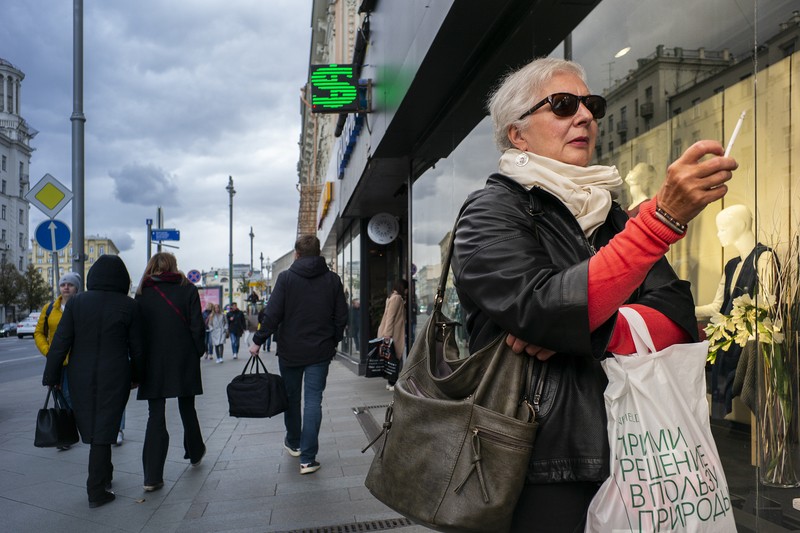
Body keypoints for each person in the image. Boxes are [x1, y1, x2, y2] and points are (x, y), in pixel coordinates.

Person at [450, 57, 737, 531]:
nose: (585, 116)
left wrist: (591, 325)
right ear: (517, 134)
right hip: (539, 461)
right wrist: (659, 223)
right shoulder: (491, 210)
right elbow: (541, 307)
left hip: (638, 447)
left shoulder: (612, 216)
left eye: (592, 104)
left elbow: (679, 317)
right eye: (563, 105)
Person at [42, 255, 144, 509]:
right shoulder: (129, 306)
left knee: (97, 427)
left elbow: (60, 344)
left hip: (80, 374)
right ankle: (96, 490)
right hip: (116, 373)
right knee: (105, 426)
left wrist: (52, 377)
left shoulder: (77, 303)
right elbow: (139, 349)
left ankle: (105, 476)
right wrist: (136, 376)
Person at [248, 235, 347, 475]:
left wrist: (258, 341)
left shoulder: (286, 278)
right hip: (320, 351)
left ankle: (293, 442)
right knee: (314, 401)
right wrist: (333, 340)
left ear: (297, 254)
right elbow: (342, 316)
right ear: (318, 253)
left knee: (292, 398)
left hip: (290, 352)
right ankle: (308, 459)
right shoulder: (333, 280)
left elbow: (272, 314)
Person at [135, 252, 207, 492]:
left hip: (153, 361)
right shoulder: (187, 289)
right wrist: (197, 351)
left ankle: (152, 477)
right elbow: (197, 326)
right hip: (183, 356)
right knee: (187, 406)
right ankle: (195, 452)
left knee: (155, 414)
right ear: (174, 266)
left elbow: (137, 333)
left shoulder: (142, 293)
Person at [695, 204, 776, 419]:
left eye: (722, 228)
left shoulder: (764, 257)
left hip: (749, 336)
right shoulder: (732, 265)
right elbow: (717, 306)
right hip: (729, 335)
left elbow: (767, 304)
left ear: (740, 225)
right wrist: (683, 310)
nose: (718, 234)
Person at [34, 272, 82, 450]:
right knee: (57, 396)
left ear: (76, 287)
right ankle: (65, 434)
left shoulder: (81, 307)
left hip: (75, 362)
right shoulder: (49, 309)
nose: (66, 287)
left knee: (70, 397)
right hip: (55, 361)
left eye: (70, 284)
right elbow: (39, 333)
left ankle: (75, 430)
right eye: (63, 284)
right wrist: (48, 351)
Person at [376, 279, 408, 391]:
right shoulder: (397, 298)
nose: (407, 291)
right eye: (406, 289)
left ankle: (390, 382)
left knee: (391, 357)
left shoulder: (391, 297)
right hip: (392, 333)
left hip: (390, 332)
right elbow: (390, 316)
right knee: (394, 357)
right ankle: (392, 383)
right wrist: (388, 334)